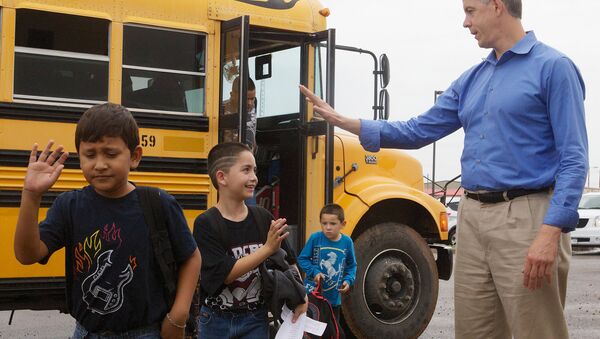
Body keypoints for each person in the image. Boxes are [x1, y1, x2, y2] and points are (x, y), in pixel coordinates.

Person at [299, 0, 588, 338]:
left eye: (471, 10)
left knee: (537, 331)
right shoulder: (472, 79)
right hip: (472, 218)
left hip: (526, 217)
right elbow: (419, 129)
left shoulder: (554, 68)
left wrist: (550, 232)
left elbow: (574, 158)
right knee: (474, 332)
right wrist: (348, 122)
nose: (465, 22)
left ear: (497, 6)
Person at [14, 103, 202, 339]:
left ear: (134, 156)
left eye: (110, 154)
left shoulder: (158, 203)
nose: (100, 164)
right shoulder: (69, 206)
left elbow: (191, 257)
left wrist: (179, 316)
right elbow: (28, 255)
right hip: (86, 332)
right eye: (90, 155)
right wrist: (31, 195)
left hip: (145, 333)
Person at [193, 142, 307, 339]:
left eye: (254, 170)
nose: (254, 177)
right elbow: (226, 274)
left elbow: (289, 262)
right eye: (246, 170)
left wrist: (301, 296)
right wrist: (268, 248)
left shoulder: (262, 217)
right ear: (222, 177)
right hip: (215, 322)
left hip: (255, 319)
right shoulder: (206, 223)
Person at [297, 203, 357, 323]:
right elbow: (302, 259)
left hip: (333, 300)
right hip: (312, 296)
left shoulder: (347, 242)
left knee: (332, 332)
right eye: (324, 223)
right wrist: (315, 272)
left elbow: (352, 265)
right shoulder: (315, 238)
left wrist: (348, 280)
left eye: (333, 224)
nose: (328, 227)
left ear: (343, 224)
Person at [224, 77, 258, 152]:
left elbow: (252, 127)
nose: (250, 103)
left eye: (252, 99)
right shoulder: (222, 110)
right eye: (246, 98)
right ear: (232, 95)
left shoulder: (253, 106)